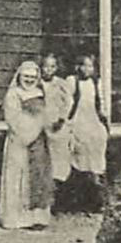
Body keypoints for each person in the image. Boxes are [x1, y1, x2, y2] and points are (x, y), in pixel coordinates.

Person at [0, 60, 53, 229]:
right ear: (19, 76)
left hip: (39, 141)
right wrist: (32, 130)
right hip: (20, 140)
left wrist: (45, 125)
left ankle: (37, 218)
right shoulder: (13, 94)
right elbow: (13, 119)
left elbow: (47, 114)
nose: (29, 80)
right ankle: (16, 218)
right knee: (18, 178)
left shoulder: (40, 92)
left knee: (38, 177)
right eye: (26, 76)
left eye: (32, 77)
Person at [65, 52, 109, 208]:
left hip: (93, 120)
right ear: (78, 67)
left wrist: (103, 118)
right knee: (79, 151)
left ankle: (96, 193)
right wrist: (66, 122)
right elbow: (67, 103)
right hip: (77, 120)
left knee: (97, 144)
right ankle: (77, 194)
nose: (87, 69)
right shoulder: (72, 81)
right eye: (84, 65)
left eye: (90, 66)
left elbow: (100, 103)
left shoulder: (96, 83)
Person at [39, 52, 74, 190]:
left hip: (56, 123)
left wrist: (61, 118)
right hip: (40, 122)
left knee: (58, 155)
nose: (49, 70)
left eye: (52, 67)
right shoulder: (36, 83)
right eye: (46, 66)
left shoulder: (61, 84)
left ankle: (57, 187)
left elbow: (68, 102)